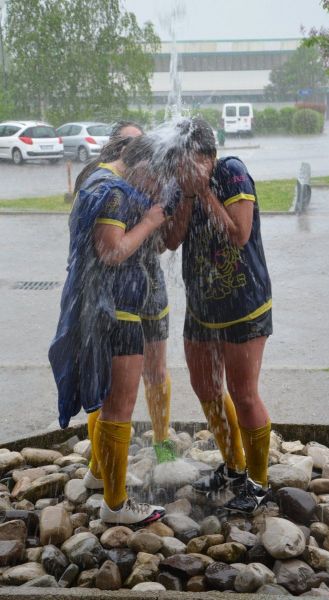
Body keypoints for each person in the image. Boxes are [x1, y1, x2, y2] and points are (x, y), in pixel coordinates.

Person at [49, 135, 168, 526]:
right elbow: (112, 250)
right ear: (142, 167)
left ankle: (100, 476)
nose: (157, 189)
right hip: (116, 314)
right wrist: (150, 222)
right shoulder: (115, 193)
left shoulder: (100, 179)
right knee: (120, 407)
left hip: (106, 309)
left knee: (108, 401)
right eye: (157, 178)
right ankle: (116, 506)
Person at [165, 117, 273, 514]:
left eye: (187, 160)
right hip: (201, 305)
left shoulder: (231, 172)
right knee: (205, 388)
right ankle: (232, 467)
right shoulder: (181, 187)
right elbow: (171, 240)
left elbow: (239, 233)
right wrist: (188, 196)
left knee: (244, 394)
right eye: (176, 161)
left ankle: (259, 485)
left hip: (244, 303)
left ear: (207, 156)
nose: (181, 169)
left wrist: (205, 193)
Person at [76, 121, 176, 466]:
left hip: (151, 287)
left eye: (139, 143)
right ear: (116, 149)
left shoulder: (147, 182)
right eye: (126, 144)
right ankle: (100, 463)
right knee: (113, 385)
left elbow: (164, 243)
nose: (132, 150)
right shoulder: (104, 182)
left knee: (156, 371)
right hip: (116, 295)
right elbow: (104, 248)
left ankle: (163, 447)